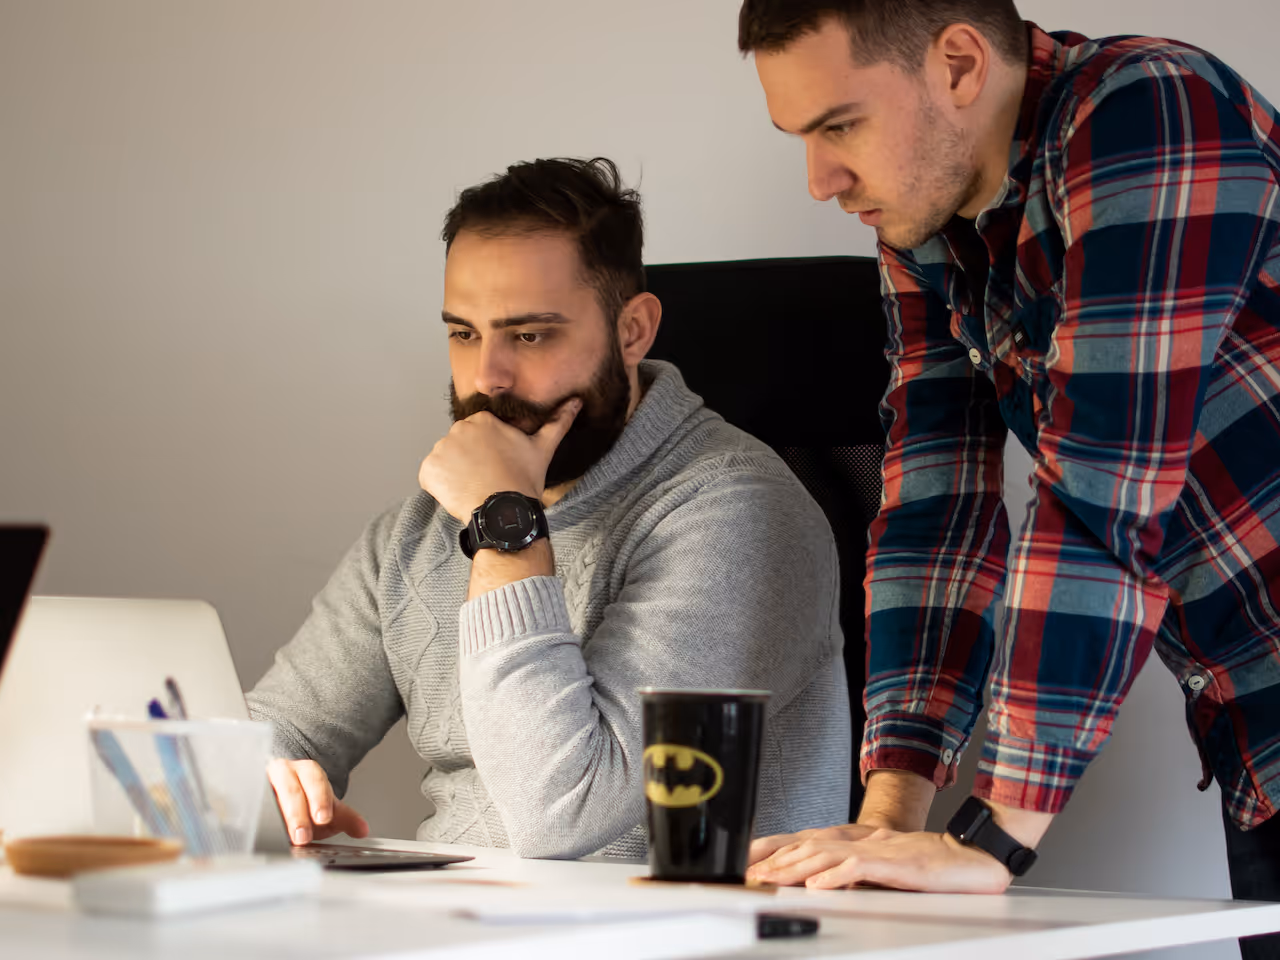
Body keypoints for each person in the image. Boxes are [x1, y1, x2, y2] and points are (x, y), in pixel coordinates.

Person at [737, 0, 1280, 935]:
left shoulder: (1152, 108)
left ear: (957, 64)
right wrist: (888, 822)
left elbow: (1105, 489)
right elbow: (932, 510)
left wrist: (986, 845)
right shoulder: (927, 222)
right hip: (1254, 735)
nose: (822, 179)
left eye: (840, 126)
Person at [247, 156, 852, 860]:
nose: (484, 378)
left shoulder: (738, 516)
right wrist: (258, 781)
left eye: (529, 336)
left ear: (634, 331)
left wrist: (505, 523)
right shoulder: (416, 531)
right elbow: (276, 734)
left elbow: (563, 815)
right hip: (443, 927)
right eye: (464, 333)